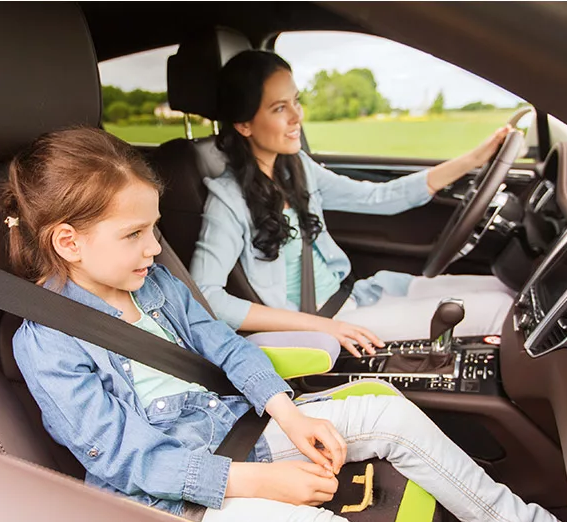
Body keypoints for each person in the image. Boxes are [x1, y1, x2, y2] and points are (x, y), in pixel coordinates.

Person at [0, 126, 567, 522]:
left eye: (155, 229)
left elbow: (224, 344)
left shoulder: (156, 287)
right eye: (135, 234)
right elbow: (127, 461)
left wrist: (288, 412)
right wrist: (260, 481)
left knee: (389, 414)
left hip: (231, 430)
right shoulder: (47, 341)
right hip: (168, 497)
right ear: (69, 243)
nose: (155, 246)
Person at [190, 50, 517, 357]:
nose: (297, 117)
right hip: (324, 324)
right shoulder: (228, 200)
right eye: (279, 108)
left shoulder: (296, 168)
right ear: (244, 124)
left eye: (296, 102)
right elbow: (206, 296)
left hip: (358, 297)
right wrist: (324, 326)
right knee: (503, 311)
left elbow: (378, 197)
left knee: (505, 287)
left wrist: (474, 158)